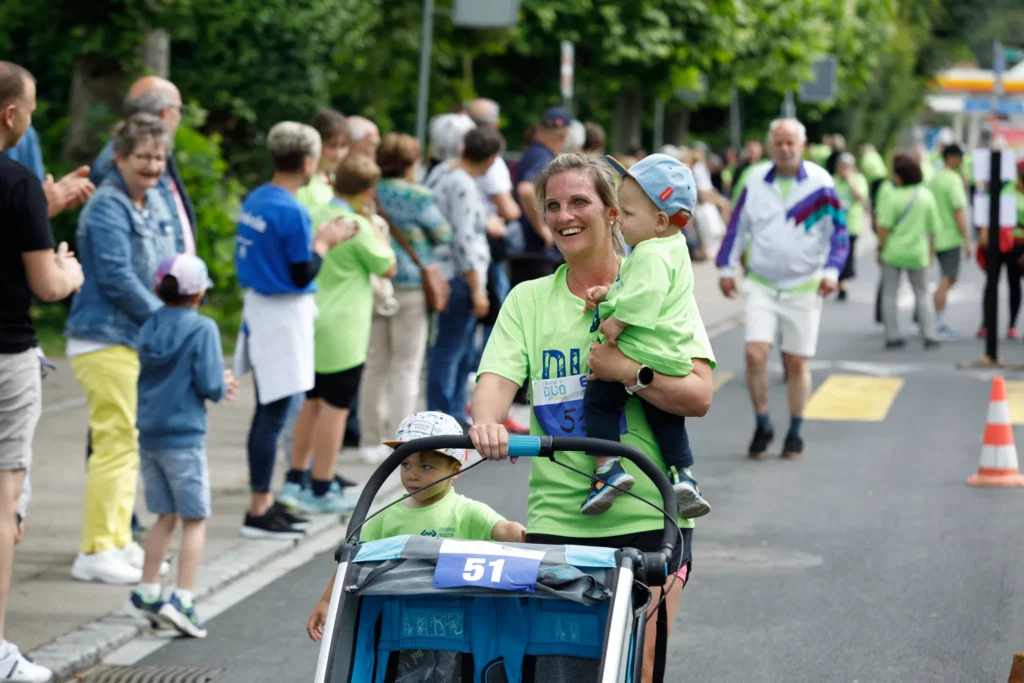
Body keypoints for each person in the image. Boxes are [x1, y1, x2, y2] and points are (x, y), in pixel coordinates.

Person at [469, 153, 714, 683]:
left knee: (637, 668)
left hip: (649, 516)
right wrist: (487, 424)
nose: (564, 216)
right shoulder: (528, 300)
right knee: (558, 671)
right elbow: (493, 385)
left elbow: (698, 395)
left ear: (613, 214)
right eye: (552, 205)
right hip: (560, 519)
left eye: (579, 201)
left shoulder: (660, 284)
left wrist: (629, 371)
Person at [64, 113, 180, 585]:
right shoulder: (108, 206)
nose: (153, 165)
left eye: (158, 157)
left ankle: (116, 541)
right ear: (119, 158)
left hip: (129, 339)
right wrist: (167, 324)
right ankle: (95, 550)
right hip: (103, 337)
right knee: (113, 445)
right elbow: (117, 278)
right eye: (143, 157)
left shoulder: (146, 201)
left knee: (125, 444)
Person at [1, 60, 85, 683]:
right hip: (6, 358)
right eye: (29, 108)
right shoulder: (16, 182)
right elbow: (47, 284)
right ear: (10, 115)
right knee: (3, 505)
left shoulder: (29, 189)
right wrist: (70, 269)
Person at [232, 121, 356, 539]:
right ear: (308, 162)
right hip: (282, 314)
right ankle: (259, 508)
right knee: (273, 414)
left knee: (270, 411)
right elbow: (303, 272)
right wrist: (326, 240)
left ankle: (265, 501)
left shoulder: (256, 198)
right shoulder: (292, 209)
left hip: (261, 307)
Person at [306, 411, 527, 642]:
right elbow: (352, 557)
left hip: (456, 625)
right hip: (400, 624)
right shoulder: (387, 517)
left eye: (426, 467)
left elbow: (501, 528)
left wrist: (520, 535)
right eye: (405, 464)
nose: (412, 475)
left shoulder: (465, 511)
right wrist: (327, 601)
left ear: (455, 470)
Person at [580, 153, 713, 520]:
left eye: (628, 213)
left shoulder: (650, 253)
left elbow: (645, 297)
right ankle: (683, 475)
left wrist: (615, 323)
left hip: (642, 348)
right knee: (665, 417)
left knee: (599, 401)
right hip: (669, 353)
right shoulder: (671, 247)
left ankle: (608, 469)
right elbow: (640, 287)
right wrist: (610, 293)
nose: (619, 220)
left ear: (659, 220)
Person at [716, 118, 848, 461]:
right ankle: (763, 422)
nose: (785, 149)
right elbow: (737, 226)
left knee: (795, 361)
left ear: (802, 145)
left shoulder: (821, 183)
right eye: (779, 143)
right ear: (771, 145)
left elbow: (840, 233)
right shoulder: (755, 179)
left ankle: (796, 430)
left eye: (791, 143)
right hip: (761, 284)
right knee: (754, 354)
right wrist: (725, 267)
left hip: (805, 286)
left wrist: (832, 271)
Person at [129, 254, 238, 638]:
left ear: (159, 289)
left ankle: (147, 589)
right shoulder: (202, 328)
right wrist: (223, 382)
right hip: (185, 438)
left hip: (150, 435)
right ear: (199, 293)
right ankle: (183, 599)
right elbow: (209, 384)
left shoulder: (149, 324)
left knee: (164, 515)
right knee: (195, 519)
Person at [282, 154, 396, 514]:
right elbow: (387, 265)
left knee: (310, 405)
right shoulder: (356, 225)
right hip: (345, 330)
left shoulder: (315, 214)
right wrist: (373, 222)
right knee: (335, 410)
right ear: (367, 191)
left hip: (311, 321)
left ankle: (295, 479)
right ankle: (321, 485)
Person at [424, 125, 501, 428]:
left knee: (456, 346)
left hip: (445, 271)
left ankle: (452, 411)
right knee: (451, 348)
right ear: (491, 159)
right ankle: (444, 414)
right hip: (459, 276)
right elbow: (465, 239)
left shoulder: (441, 173)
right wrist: (477, 289)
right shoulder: (463, 186)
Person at [876, 153, 941, 349]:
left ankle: (892, 335)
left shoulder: (890, 195)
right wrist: (931, 252)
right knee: (922, 293)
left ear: (901, 176)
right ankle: (930, 334)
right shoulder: (926, 196)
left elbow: (884, 227)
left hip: (893, 252)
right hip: (917, 252)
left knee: (890, 294)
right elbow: (934, 228)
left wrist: (880, 248)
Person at [927, 143, 972, 338]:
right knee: (948, 279)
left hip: (934, 235)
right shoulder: (953, 180)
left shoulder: (934, 178)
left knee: (946, 279)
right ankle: (935, 320)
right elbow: (958, 210)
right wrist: (967, 239)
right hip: (951, 236)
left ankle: (927, 316)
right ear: (952, 158)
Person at [296, 108, 349, 209]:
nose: (338, 154)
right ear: (317, 144)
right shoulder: (303, 183)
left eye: (343, 145)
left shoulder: (336, 179)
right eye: (332, 146)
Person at [833, 153, 869, 301]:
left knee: (848, 254)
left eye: (847, 167)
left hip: (852, 224)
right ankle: (839, 281)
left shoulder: (858, 179)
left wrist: (850, 181)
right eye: (842, 167)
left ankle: (843, 283)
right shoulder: (832, 180)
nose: (844, 170)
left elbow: (860, 198)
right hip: (836, 223)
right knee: (836, 252)